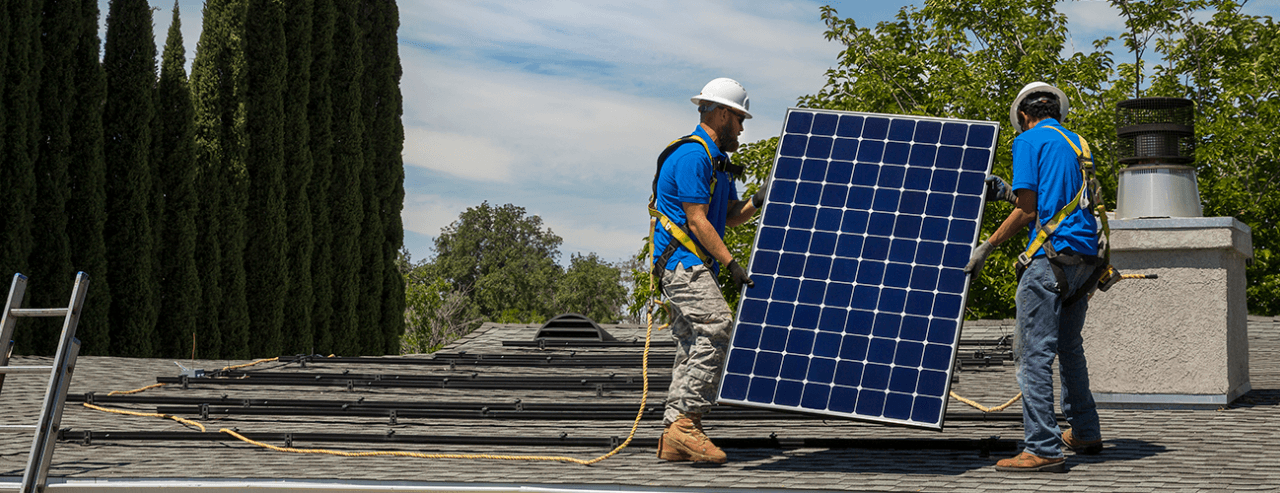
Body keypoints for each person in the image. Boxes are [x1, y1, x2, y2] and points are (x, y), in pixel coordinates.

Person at [966, 81, 1106, 473]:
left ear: (1024, 116)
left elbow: (1029, 212)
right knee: (1068, 347)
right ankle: (1085, 430)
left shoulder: (1027, 142)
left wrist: (987, 247)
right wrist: (1007, 193)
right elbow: (1056, 199)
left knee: (1032, 355)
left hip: (1048, 261)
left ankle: (1042, 446)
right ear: (1056, 113)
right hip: (1086, 260)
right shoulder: (1077, 142)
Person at [650, 78, 767, 464]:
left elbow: (730, 218)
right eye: (739, 119)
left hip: (694, 264)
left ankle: (673, 435)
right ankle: (687, 424)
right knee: (717, 325)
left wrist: (758, 198)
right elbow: (698, 221)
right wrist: (732, 264)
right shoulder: (693, 157)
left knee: (691, 342)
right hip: (682, 263)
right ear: (721, 114)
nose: (742, 128)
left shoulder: (717, 162)